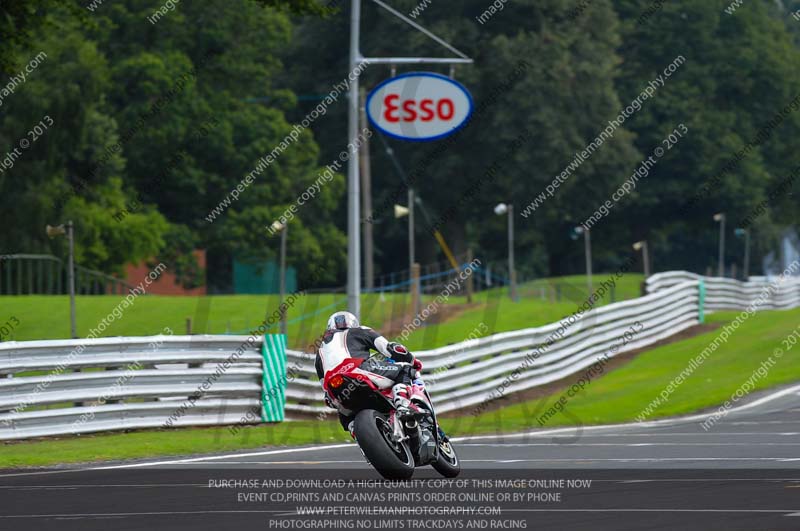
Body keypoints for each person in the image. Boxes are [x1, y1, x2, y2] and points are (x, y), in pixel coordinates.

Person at [315, 311, 424, 437]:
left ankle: (354, 428)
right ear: (353, 323)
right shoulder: (360, 330)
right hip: (357, 370)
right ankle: (403, 406)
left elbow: (324, 385)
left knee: (342, 409)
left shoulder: (320, 350)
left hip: (334, 385)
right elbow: (389, 349)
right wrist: (411, 359)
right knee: (404, 369)